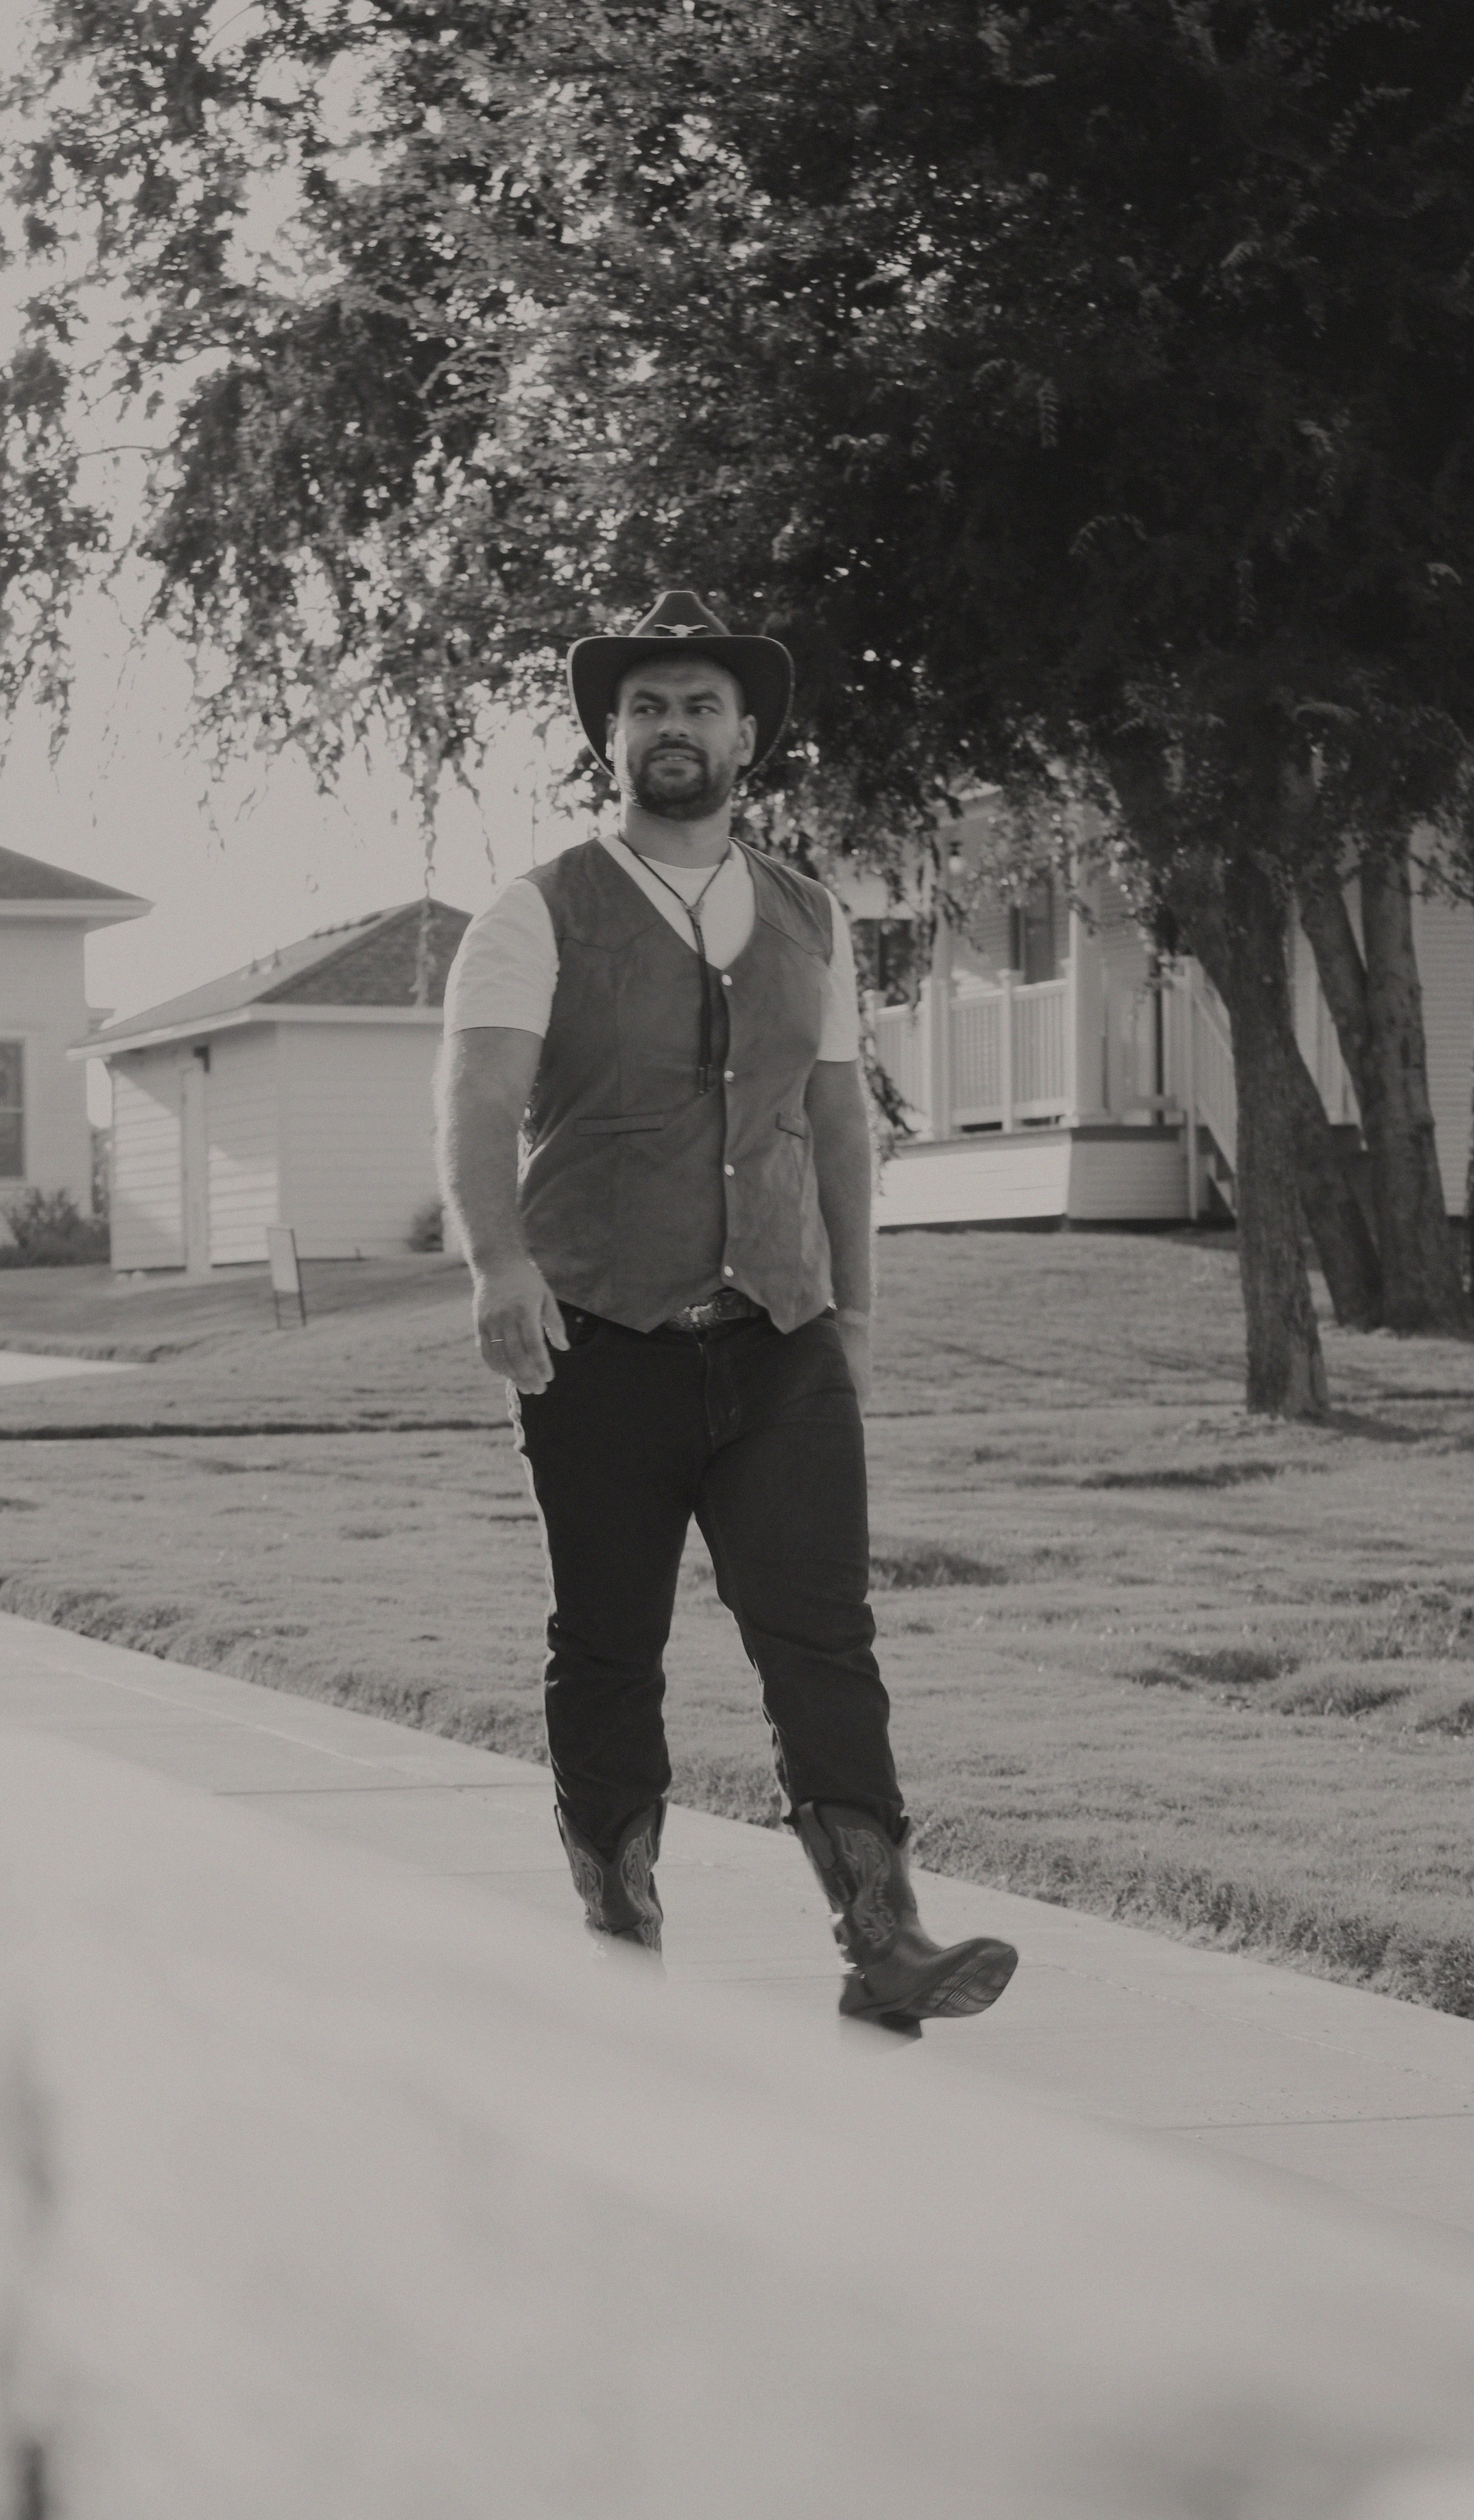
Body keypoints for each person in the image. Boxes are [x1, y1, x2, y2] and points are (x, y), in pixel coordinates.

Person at [436, 589, 1017, 2030]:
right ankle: (621, 1937)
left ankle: (883, 1938)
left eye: (698, 705)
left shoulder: (809, 912)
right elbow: (478, 1098)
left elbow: (834, 1129)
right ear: (611, 739)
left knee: (819, 1634)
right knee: (609, 1643)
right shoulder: (538, 911)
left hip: (779, 1331)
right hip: (595, 1334)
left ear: (747, 736)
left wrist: (855, 1317)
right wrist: (496, 1264)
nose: (671, 727)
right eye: (645, 707)